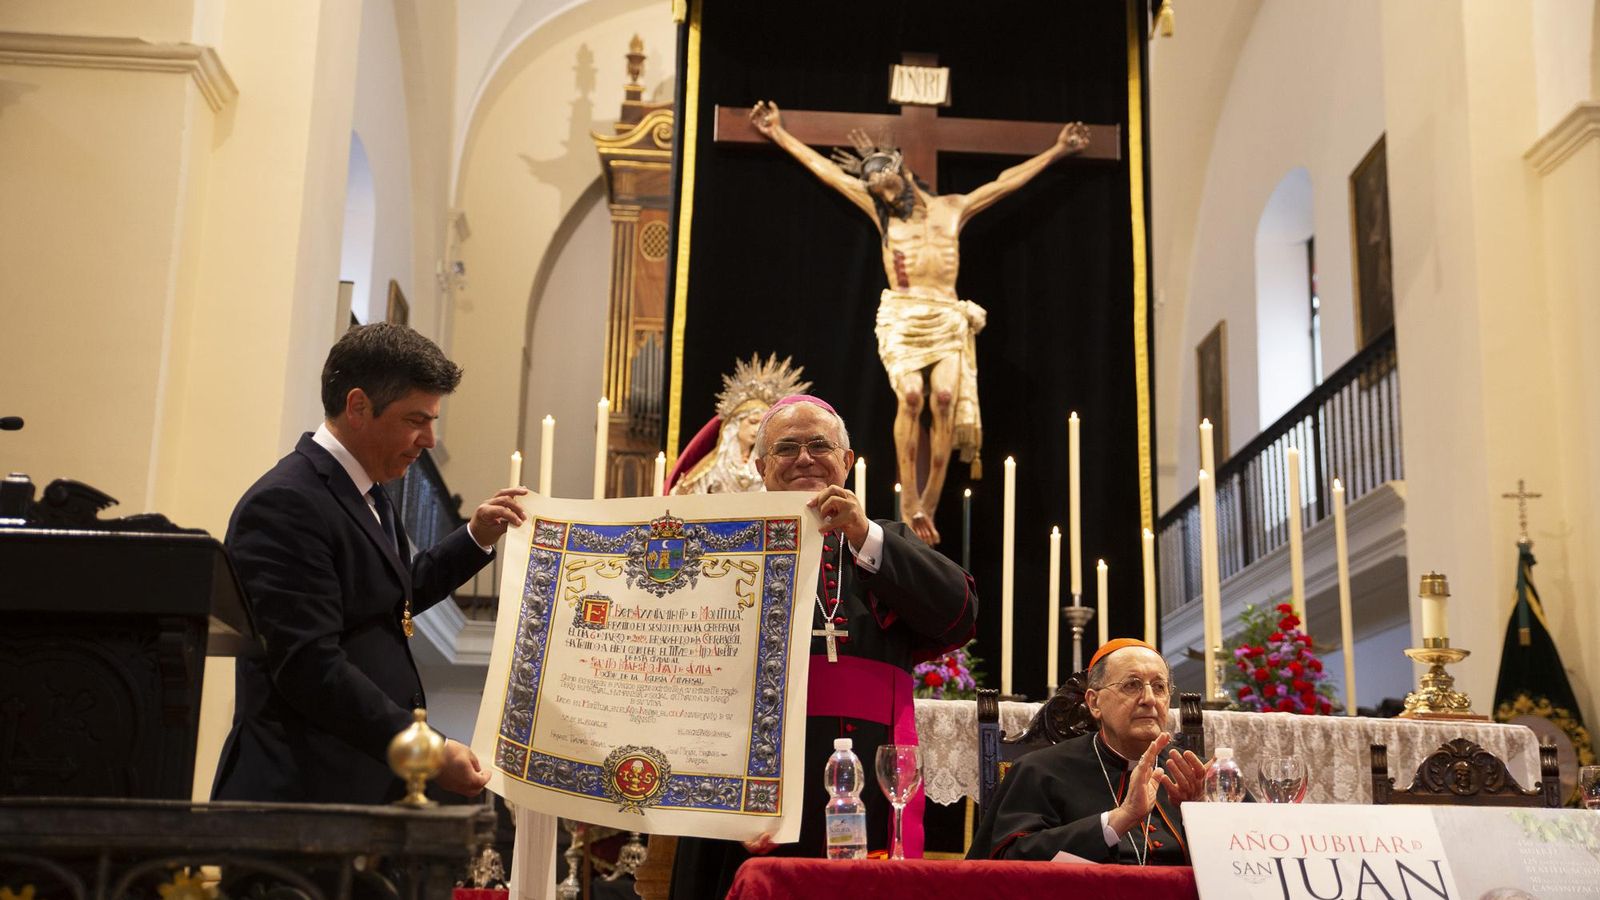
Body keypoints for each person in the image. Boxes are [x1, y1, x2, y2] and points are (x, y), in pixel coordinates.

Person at [670, 395, 977, 898]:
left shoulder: (883, 540)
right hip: (743, 777)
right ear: (760, 464)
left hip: (865, 781)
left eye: (819, 445)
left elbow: (960, 615)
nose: (805, 458)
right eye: (786, 448)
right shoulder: (719, 546)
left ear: (848, 461)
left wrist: (862, 533)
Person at [212, 323, 527, 805]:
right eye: (415, 420)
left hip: (349, 791)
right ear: (358, 406)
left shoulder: (366, 494)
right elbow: (310, 667)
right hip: (301, 797)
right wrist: (428, 751)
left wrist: (475, 537)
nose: (428, 439)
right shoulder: (287, 502)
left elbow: (390, 596)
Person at [750, 101, 1092, 545]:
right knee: (911, 397)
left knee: (945, 396)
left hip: (946, 314)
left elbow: (1004, 184)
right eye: (876, 188)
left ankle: (927, 502)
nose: (884, 194)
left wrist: (1059, 150)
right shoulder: (883, 214)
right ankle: (909, 499)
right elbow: (828, 172)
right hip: (905, 315)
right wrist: (778, 133)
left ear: (903, 173)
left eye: (888, 184)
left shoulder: (951, 208)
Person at [968, 638, 1210, 865]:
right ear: (1094, 703)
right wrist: (1119, 819)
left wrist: (1201, 815)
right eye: (1132, 685)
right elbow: (1008, 862)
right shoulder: (1041, 770)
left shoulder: (1198, 774)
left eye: (1159, 687)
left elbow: (1242, 863)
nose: (1149, 699)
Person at [669, 352, 811, 495]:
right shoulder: (716, 465)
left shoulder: (772, 464)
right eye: (752, 422)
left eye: (761, 425)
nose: (756, 429)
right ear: (735, 425)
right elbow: (685, 496)